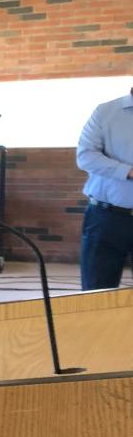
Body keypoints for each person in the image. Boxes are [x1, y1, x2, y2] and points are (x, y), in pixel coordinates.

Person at [77, 86, 133, 290]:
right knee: (97, 293)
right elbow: (86, 157)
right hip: (106, 217)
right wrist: (128, 171)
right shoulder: (106, 112)